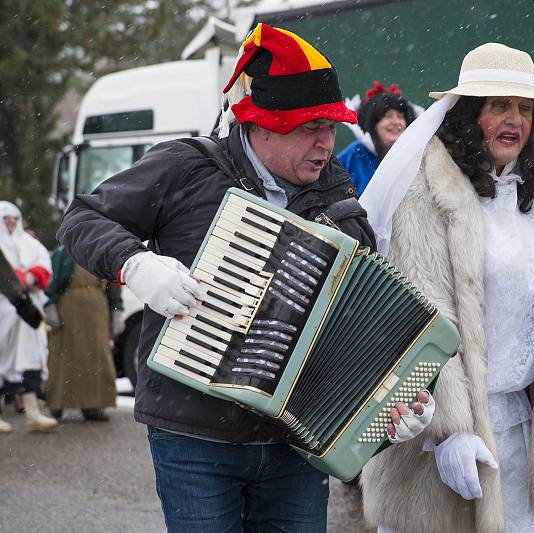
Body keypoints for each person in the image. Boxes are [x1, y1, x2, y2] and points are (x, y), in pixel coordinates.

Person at [57, 23, 431, 532]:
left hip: (295, 441)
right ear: (262, 125)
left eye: (330, 127)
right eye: (309, 128)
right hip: (193, 432)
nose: (326, 143)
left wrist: (392, 401)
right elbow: (81, 219)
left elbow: (361, 319)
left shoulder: (336, 191)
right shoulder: (186, 167)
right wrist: (136, 264)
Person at [359, 43, 534, 533]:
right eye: (499, 105)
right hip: (438, 435)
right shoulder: (426, 193)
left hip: (523, 430)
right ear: (468, 114)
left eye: (525, 108)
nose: (515, 119)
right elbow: (420, 316)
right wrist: (449, 433)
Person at [43, 246, 123, 421]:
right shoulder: (61, 254)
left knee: (96, 357)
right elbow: (51, 282)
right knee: (64, 357)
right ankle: (57, 403)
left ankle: (93, 405)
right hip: (68, 311)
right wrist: (50, 307)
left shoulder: (102, 253)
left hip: (97, 312)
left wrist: (116, 310)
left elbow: (114, 286)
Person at [0, 201, 57, 433]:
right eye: (6, 218)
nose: (11, 222)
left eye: (14, 218)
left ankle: (33, 413)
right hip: (4, 310)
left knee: (31, 359)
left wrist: (29, 278)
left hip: (29, 310)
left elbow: (44, 265)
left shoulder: (30, 243)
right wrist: (14, 283)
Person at [338, 80, 417, 196]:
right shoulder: (355, 154)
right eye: (388, 116)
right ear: (373, 123)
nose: (396, 122)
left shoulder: (415, 157)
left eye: (400, 116)